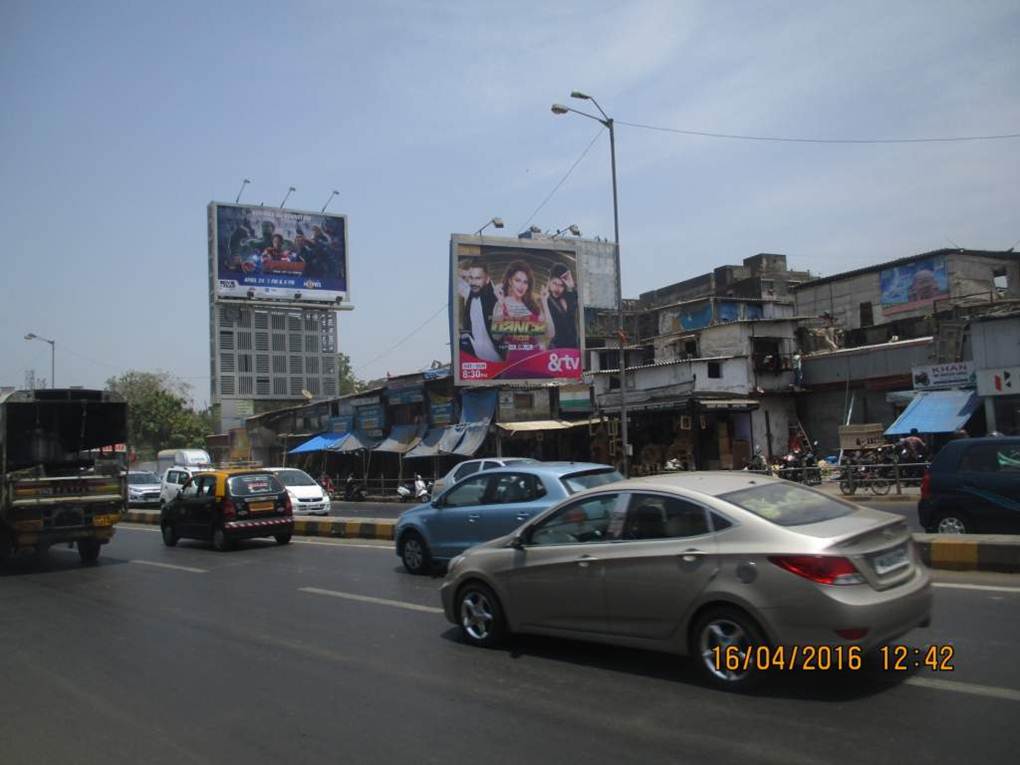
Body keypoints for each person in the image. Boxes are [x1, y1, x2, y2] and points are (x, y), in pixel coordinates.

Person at [494, 260, 548, 354]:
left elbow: (543, 338)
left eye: (525, 282)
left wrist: (545, 302)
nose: (521, 286)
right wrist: (500, 304)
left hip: (536, 358)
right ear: (510, 281)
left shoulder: (533, 306)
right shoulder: (501, 303)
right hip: (513, 361)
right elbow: (496, 336)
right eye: (517, 280)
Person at [457, 259, 502, 362]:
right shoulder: (470, 293)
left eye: (478, 278)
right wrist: (464, 272)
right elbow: (457, 280)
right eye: (471, 278)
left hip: (497, 362)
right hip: (478, 364)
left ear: (487, 279)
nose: (473, 282)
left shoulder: (493, 299)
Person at [544, 264, 579, 349]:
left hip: (573, 347)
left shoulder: (569, 296)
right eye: (554, 283)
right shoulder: (545, 300)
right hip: (556, 348)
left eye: (561, 285)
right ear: (549, 281)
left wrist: (572, 286)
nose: (557, 288)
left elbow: (583, 305)